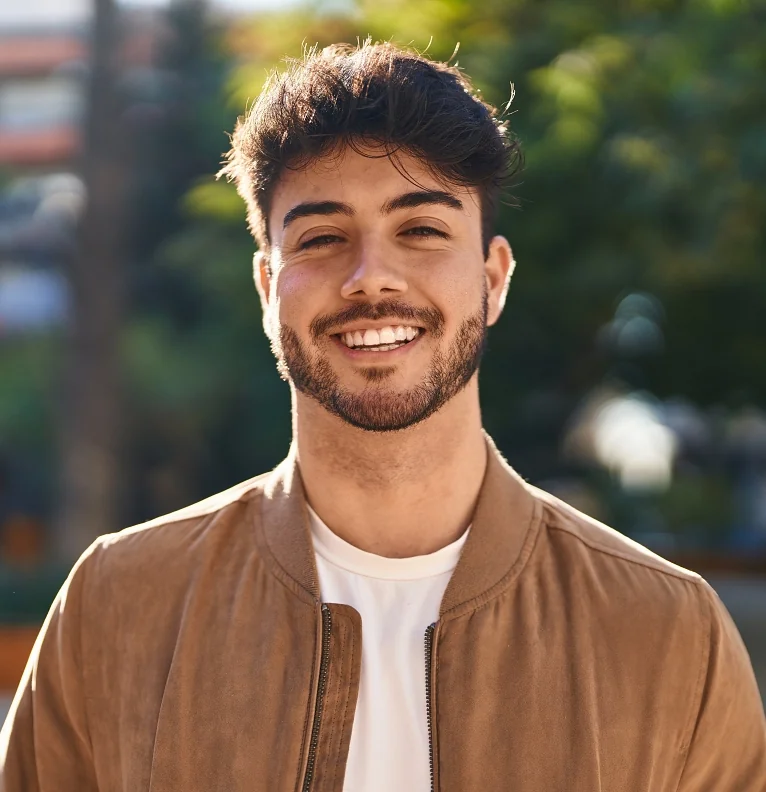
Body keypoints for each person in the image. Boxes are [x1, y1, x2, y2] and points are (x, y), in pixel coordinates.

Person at [1, 41, 765, 792]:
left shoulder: (667, 634)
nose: (372, 278)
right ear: (269, 286)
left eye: (421, 230)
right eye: (323, 238)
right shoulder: (119, 606)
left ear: (493, 279)